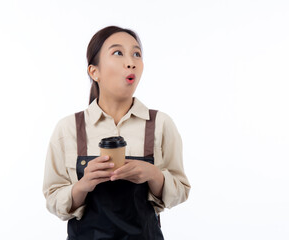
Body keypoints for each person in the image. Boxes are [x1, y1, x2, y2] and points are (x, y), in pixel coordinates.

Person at [43, 25, 191, 239]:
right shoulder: (68, 128)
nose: (131, 61)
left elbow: (181, 192)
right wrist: (83, 185)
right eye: (118, 52)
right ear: (94, 71)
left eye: (136, 54)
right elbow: (53, 200)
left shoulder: (160, 124)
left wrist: (153, 175)